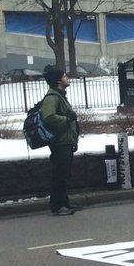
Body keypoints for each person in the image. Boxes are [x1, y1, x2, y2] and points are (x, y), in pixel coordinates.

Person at [40, 65, 80, 216]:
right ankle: (57, 206)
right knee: (60, 175)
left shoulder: (60, 95)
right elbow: (48, 116)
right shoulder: (52, 98)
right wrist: (67, 119)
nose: (67, 78)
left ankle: (64, 203)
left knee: (65, 174)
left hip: (66, 141)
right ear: (58, 81)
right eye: (64, 76)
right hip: (59, 142)